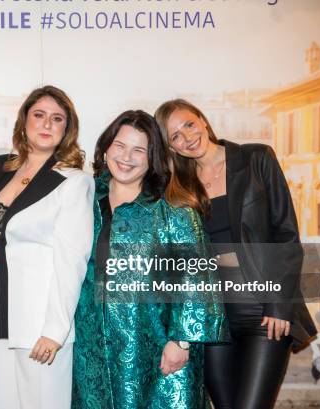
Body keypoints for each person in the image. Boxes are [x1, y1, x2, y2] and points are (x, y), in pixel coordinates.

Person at [155, 99, 318, 409]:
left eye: (188, 124)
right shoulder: (179, 187)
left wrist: (279, 303)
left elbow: (286, 234)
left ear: (203, 120)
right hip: (215, 317)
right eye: (175, 136)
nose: (187, 137)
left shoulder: (256, 158)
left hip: (262, 308)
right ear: (171, 148)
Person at [72, 110, 228, 409]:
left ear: (151, 157)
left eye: (139, 150)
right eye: (119, 146)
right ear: (105, 149)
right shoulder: (84, 200)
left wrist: (182, 341)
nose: (127, 157)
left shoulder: (172, 207)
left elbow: (197, 275)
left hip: (160, 350)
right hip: (93, 347)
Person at [0, 85, 94, 409]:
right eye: (39, 115)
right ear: (24, 121)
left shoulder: (73, 182)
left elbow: (72, 261)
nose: (46, 124)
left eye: (57, 119)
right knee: (0, 402)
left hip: (39, 318)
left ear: (67, 129)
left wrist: (55, 330)